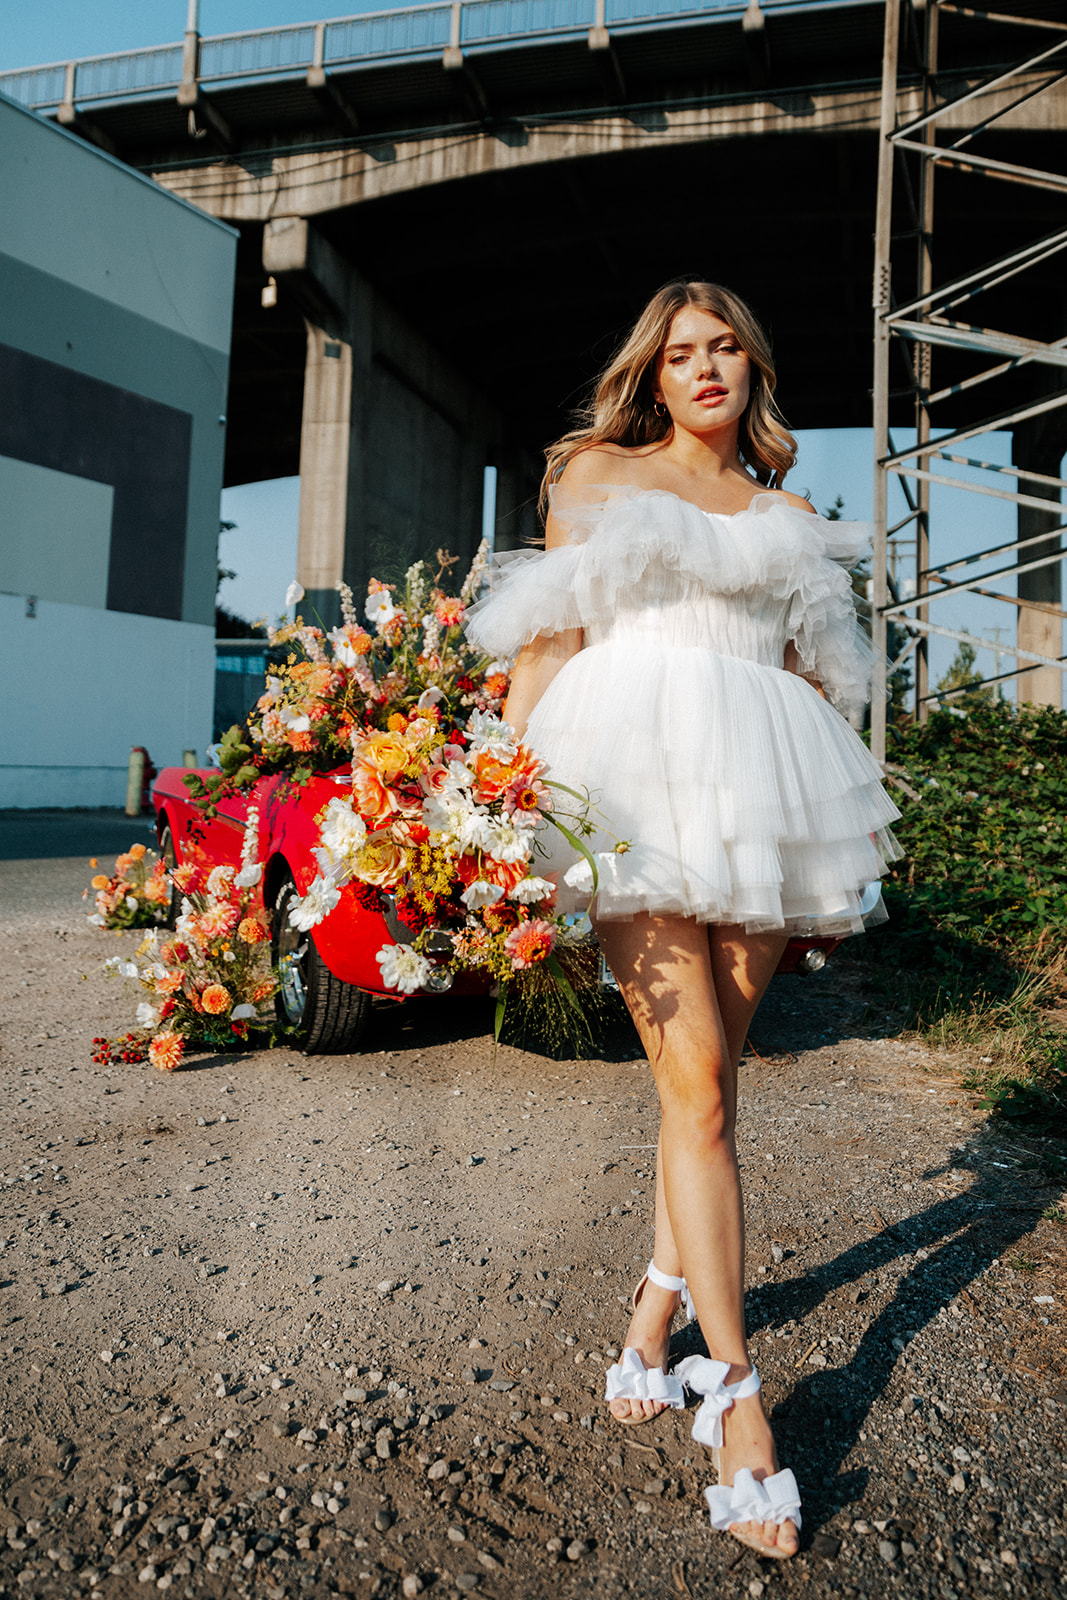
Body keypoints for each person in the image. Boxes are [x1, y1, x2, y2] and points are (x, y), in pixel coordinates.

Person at [464, 279, 900, 1560]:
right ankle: (740, 1400)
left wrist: (826, 846)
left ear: (752, 371)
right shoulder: (597, 476)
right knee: (698, 1085)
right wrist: (491, 802)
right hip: (625, 784)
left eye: (723, 350)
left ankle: (655, 1309)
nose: (703, 369)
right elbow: (544, 648)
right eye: (678, 355)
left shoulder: (787, 516)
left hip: (760, 795)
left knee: (702, 1093)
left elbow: (816, 676)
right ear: (649, 377)